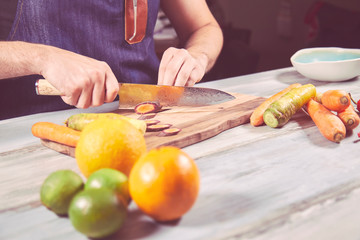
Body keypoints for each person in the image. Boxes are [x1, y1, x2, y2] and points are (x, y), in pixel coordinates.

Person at [0, 0, 223, 119]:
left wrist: (197, 56)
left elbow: (204, 27)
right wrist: (42, 57)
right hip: (37, 133)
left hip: (147, 119)